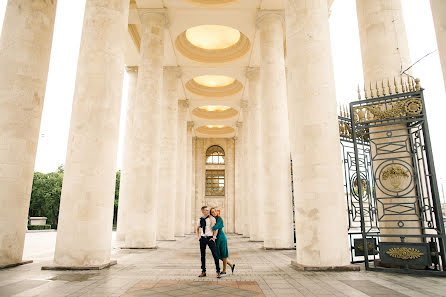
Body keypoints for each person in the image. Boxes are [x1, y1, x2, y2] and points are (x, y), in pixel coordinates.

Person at [196, 206, 221, 278]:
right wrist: (198, 237)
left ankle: (218, 271)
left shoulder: (212, 218)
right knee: (202, 256)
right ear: (203, 211)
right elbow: (197, 229)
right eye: (206, 210)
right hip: (202, 238)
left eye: (208, 210)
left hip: (210, 238)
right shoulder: (200, 219)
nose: (208, 211)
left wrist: (214, 237)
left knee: (215, 255)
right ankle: (203, 271)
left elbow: (216, 229)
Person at [210, 208, 235, 275]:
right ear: (211, 213)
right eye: (212, 212)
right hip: (216, 239)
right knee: (218, 255)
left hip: (221, 238)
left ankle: (224, 270)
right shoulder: (212, 219)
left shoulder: (219, 219)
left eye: (215, 211)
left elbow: (215, 227)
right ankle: (231, 265)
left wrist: (210, 227)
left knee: (224, 254)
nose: (214, 212)